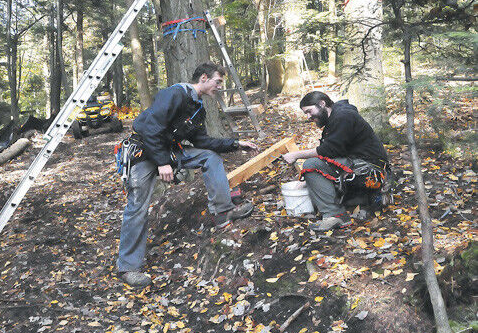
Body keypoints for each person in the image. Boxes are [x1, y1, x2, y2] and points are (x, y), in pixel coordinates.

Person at [117, 61, 257, 286]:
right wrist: (162, 163)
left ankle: (222, 213)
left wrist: (235, 144)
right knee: (137, 207)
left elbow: (202, 141)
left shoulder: (198, 107)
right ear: (203, 78)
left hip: (170, 153)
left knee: (209, 157)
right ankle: (128, 267)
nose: (220, 86)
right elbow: (149, 127)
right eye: (218, 81)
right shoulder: (174, 94)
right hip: (143, 153)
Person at [282, 91, 389, 231]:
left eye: (309, 111)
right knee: (315, 166)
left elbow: (328, 150)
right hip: (361, 164)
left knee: (310, 164)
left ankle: (335, 215)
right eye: (305, 113)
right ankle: (361, 200)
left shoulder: (343, 116)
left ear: (322, 104)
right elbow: (332, 150)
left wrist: (296, 155)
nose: (308, 117)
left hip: (371, 170)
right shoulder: (337, 116)